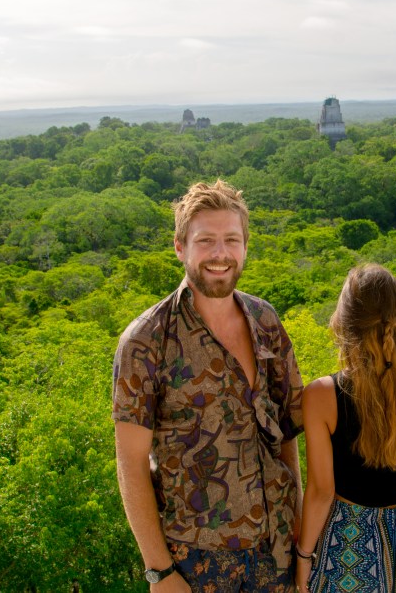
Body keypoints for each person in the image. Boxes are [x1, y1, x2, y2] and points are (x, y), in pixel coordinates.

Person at [112, 180, 304, 592]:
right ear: (180, 247)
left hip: (279, 552)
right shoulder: (147, 341)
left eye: (231, 240)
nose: (220, 254)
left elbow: (288, 437)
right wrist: (159, 572)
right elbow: (129, 463)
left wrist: (302, 537)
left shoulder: (266, 322)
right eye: (206, 241)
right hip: (195, 564)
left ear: (246, 246)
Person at [295, 264, 396, 593]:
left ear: (343, 324)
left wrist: (303, 554)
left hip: (347, 536)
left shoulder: (322, 396)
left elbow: (322, 491)